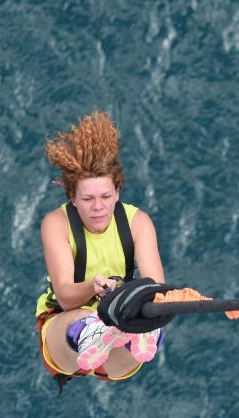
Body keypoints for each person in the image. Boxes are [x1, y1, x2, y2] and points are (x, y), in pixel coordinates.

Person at [35, 111, 166, 389]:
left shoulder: (138, 223)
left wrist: (141, 305)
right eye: (87, 198)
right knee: (83, 320)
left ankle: (130, 333)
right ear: (72, 197)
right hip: (69, 324)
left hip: (120, 318)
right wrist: (94, 286)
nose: (98, 207)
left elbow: (157, 286)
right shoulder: (56, 224)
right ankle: (99, 331)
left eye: (106, 196)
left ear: (117, 192)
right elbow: (67, 297)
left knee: (132, 326)